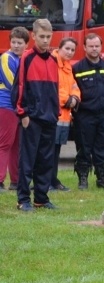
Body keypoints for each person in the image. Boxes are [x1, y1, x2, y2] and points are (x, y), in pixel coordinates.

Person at [13, 19, 59, 210]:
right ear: (33, 36)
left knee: (46, 160)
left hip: (49, 117)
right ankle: (23, 199)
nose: (45, 41)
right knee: (28, 160)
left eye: (48, 37)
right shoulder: (27, 58)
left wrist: (56, 112)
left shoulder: (54, 59)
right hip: (32, 117)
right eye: (42, 37)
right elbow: (19, 88)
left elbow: (55, 89)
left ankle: (41, 197)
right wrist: (23, 114)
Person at [72, 33, 104, 190]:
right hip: (85, 115)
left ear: (101, 47)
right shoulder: (77, 69)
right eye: (91, 46)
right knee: (84, 149)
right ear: (85, 47)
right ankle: (83, 180)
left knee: (102, 149)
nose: (94, 49)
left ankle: (102, 179)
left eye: (97, 46)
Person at [0, 26, 28, 193]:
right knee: (4, 143)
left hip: (17, 106)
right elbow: (12, 84)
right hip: (6, 105)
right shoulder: (6, 57)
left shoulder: (21, 58)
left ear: (26, 44)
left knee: (16, 144)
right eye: (13, 42)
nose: (16, 45)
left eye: (20, 42)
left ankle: (16, 181)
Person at [50, 36, 80, 192]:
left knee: (55, 152)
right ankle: (48, 181)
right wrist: (68, 99)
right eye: (67, 49)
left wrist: (75, 98)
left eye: (72, 50)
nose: (69, 52)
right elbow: (53, 87)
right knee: (49, 151)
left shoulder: (67, 67)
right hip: (54, 115)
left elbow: (75, 86)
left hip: (64, 116)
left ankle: (53, 180)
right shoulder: (52, 63)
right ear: (59, 48)